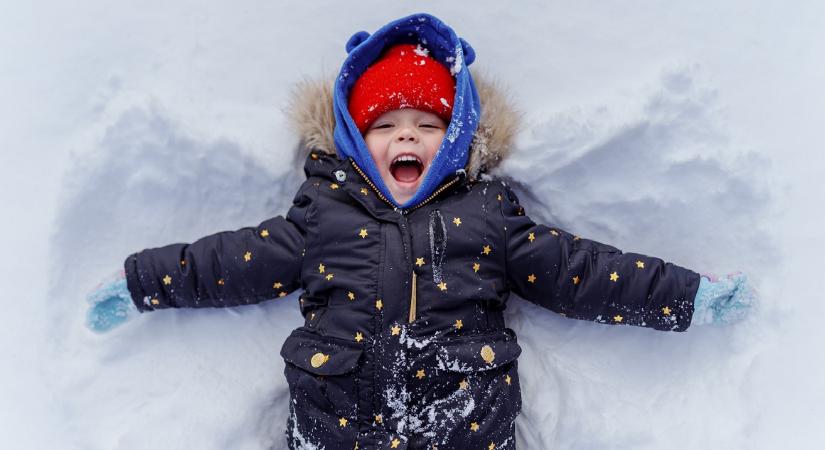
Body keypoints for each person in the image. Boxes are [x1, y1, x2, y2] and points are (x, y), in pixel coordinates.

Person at [85, 13, 756, 450]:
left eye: (428, 125)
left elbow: (578, 270)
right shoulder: (321, 215)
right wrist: (144, 281)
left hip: (463, 420)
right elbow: (231, 261)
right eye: (384, 125)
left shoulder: (487, 214)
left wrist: (682, 295)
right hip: (337, 422)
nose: (406, 133)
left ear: (456, 136)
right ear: (354, 140)